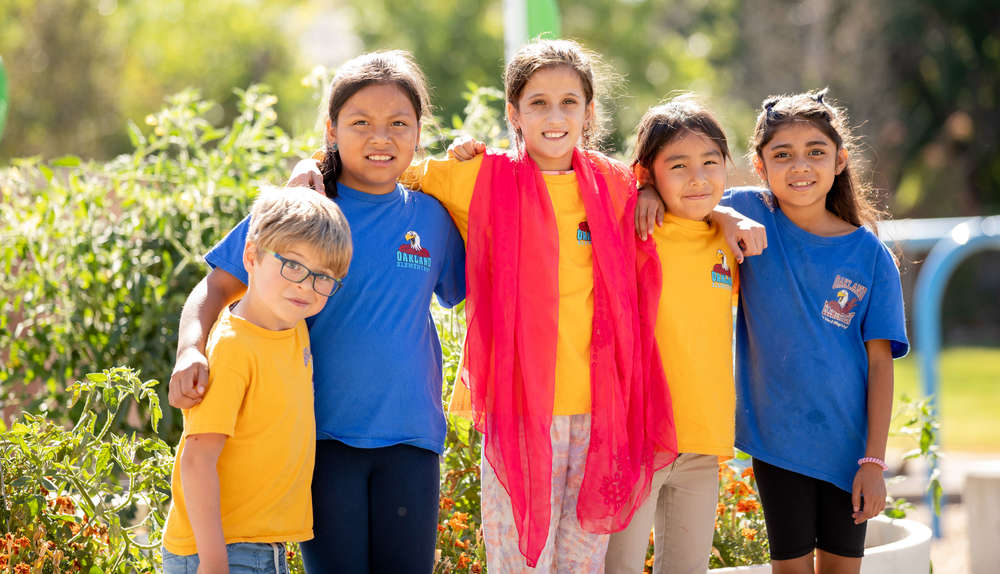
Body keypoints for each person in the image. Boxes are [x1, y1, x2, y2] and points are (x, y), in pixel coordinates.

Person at [168, 51, 466, 574]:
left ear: (420, 132)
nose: (381, 137)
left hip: (412, 438)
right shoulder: (304, 208)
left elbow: (478, 285)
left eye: (399, 124)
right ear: (331, 130)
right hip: (321, 441)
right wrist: (190, 347)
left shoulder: (433, 217)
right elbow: (215, 286)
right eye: (360, 123)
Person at [638, 89, 908, 574]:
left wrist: (874, 462)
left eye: (816, 153)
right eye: (782, 155)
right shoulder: (750, 215)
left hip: (848, 450)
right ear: (760, 166)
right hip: (777, 445)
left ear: (840, 160)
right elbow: (689, 193)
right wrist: (649, 191)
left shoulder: (871, 257)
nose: (799, 166)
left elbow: (880, 364)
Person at [162, 187, 352, 574]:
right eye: (294, 266)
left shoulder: (293, 329)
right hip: (221, 550)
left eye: (323, 278)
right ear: (250, 255)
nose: (306, 286)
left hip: (258, 545)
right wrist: (214, 562)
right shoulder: (234, 348)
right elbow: (198, 461)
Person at [602, 96, 741, 574]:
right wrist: (639, 194)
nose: (698, 178)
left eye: (710, 162)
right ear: (648, 173)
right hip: (636, 442)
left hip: (703, 442)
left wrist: (730, 218)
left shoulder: (730, 241)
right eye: (677, 166)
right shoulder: (635, 228)